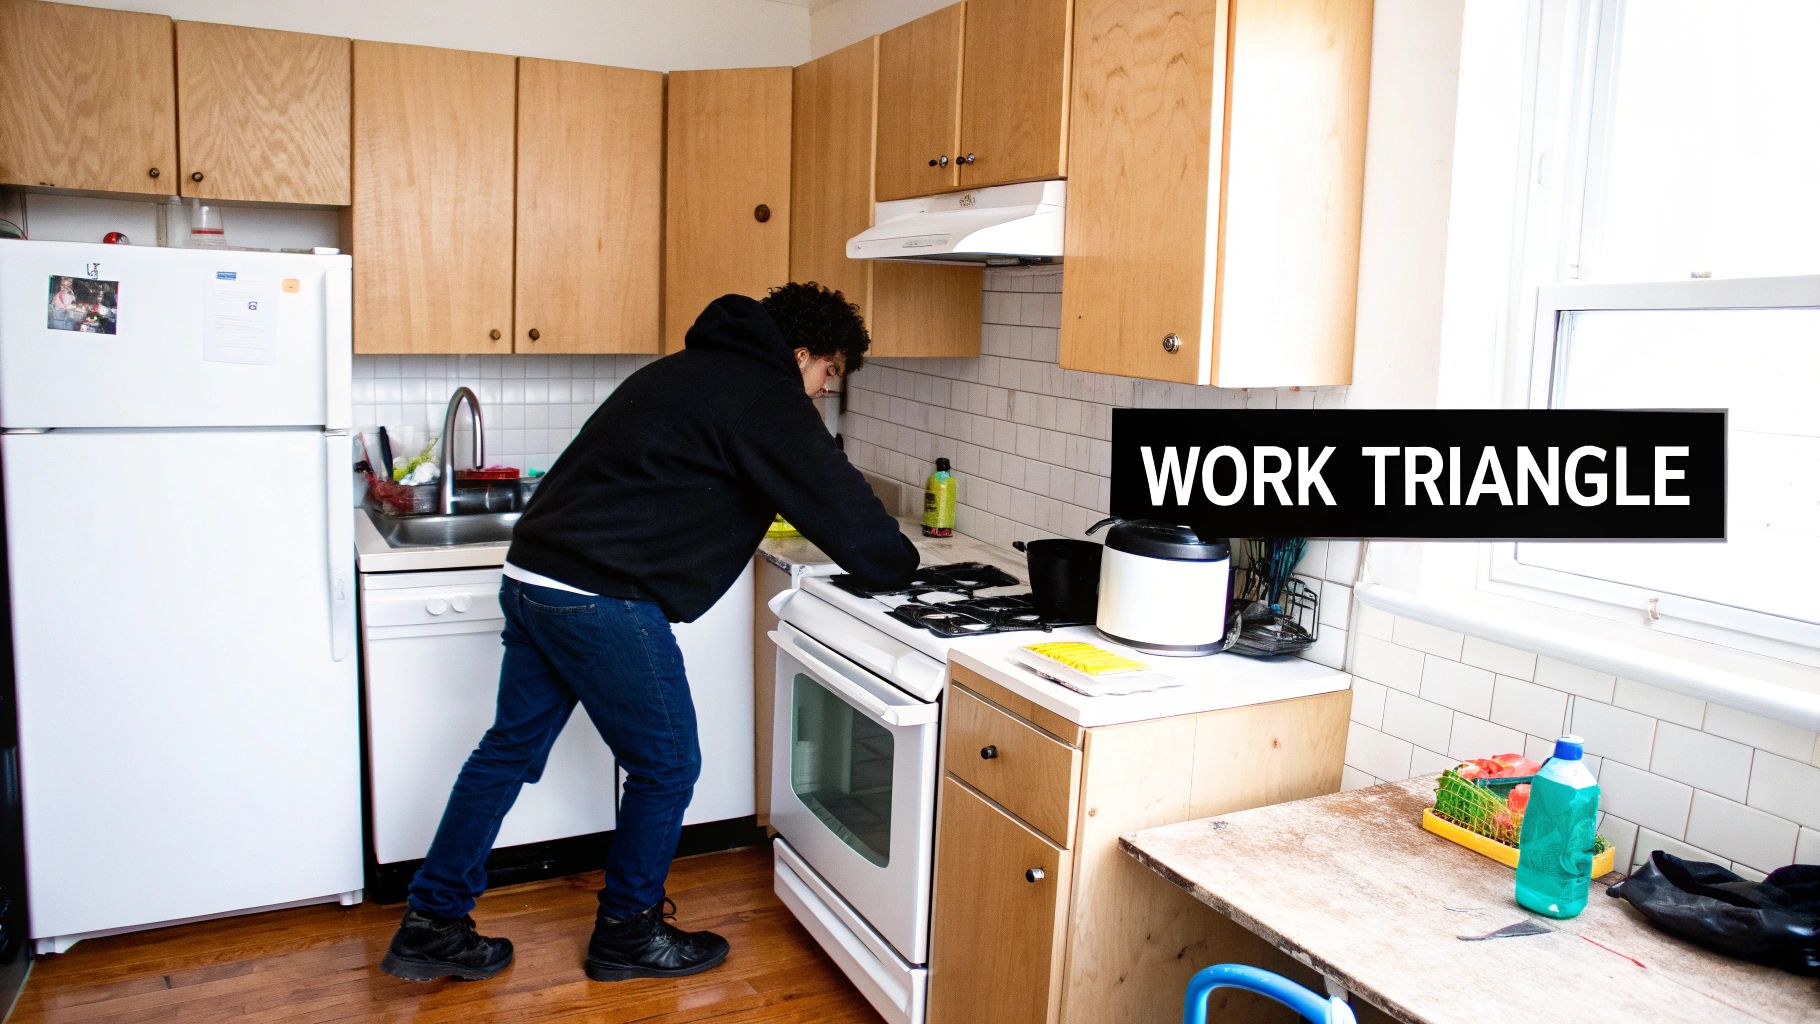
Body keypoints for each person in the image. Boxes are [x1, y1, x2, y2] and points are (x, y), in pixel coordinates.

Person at [380, 283, 918, 984]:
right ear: (802, 352)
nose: (821, 390)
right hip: (599, 597)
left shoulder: (683, 371)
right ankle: (627, 935)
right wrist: (899, 563)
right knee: (667, 767)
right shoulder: (765, 394)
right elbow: (842, 506)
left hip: (534, 579)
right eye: (827, 372)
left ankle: (432, 923)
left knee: (507, 750)